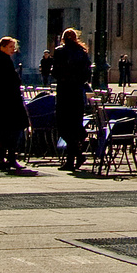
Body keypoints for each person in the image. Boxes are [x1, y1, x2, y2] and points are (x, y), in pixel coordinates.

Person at [0, 36, 34, 175]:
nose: (13, 49)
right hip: (7, 101)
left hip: (6, 100)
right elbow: (2, 81)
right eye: (11, 47)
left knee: (7, 130)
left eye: (14, 47)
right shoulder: (0, 62)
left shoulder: (2, 61)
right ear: (3, 47)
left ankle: (7, 158)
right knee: (8, 130)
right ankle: (6, 158)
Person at [51, 28, 93, 170]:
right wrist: (78, 80)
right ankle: (75, 156)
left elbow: (55, 71)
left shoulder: (59, 51)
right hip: (77, 92)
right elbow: (88, 73)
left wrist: (65, 78)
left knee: (63, 125)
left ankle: (73, 158)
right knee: (75, 125)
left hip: (64, 91)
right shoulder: (82, 52)